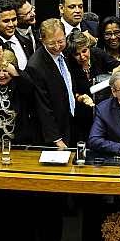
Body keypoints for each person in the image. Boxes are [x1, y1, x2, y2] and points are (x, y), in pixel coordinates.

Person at [25, 18, 76, 147]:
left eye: (61, 41)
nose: (57, 47)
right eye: (52, 43)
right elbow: (41, 107)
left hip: (69, 123)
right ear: (42, 41)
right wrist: (56, 139)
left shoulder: (66, 53)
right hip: (51, 134)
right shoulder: (35, 66)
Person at [66, 30, 120, 142]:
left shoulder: (97, 53)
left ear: (88, 47)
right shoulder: (68, 64)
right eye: (77, 54)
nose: (82, 57)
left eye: (84, 51)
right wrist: (81, 98)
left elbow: (118, 66)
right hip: (81, 112)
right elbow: (69, 91)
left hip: (104, 107)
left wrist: (111, 80)